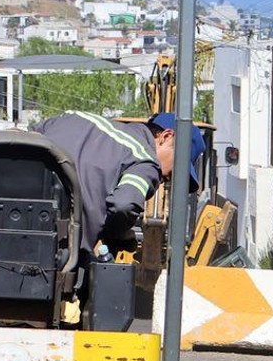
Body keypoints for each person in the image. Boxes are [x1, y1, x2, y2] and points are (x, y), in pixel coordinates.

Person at [31, 110, 207, 260]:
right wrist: (117, 234)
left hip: (12, 231)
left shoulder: (74, 117)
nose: (166, 179)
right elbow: (123, 205)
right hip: (54, 256)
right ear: (165, 137)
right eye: (175, 170)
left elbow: (23, 139)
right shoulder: (144, 161)